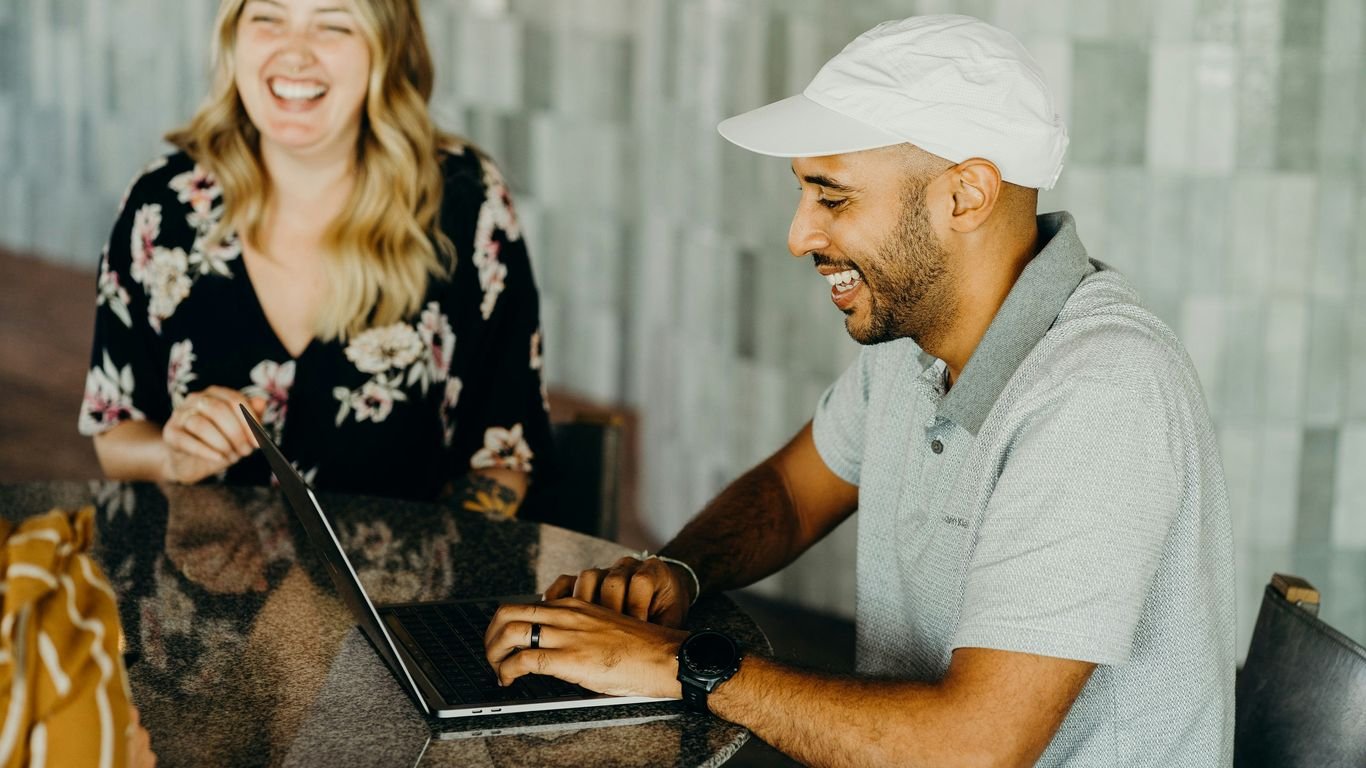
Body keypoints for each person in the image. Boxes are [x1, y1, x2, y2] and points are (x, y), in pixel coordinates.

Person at [484, 15, 1235, 767]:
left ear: (966, 197)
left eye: (831, 196)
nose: (798, 234)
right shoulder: (921, 336)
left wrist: (675, 663)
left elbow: (972, 751)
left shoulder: (1101, 392)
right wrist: (676, 574)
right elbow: (791, 491)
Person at [78, 0, 550, 515]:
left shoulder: (464, 204)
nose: (295, 54)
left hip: (399, 595)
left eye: (332, 25)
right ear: (235, 39)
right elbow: (116, 430)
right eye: (268, 18)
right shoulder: (161, 206)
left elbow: (503, 453)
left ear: (387, 49)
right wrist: (172, 455)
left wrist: (435, 586)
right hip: (202, 588)